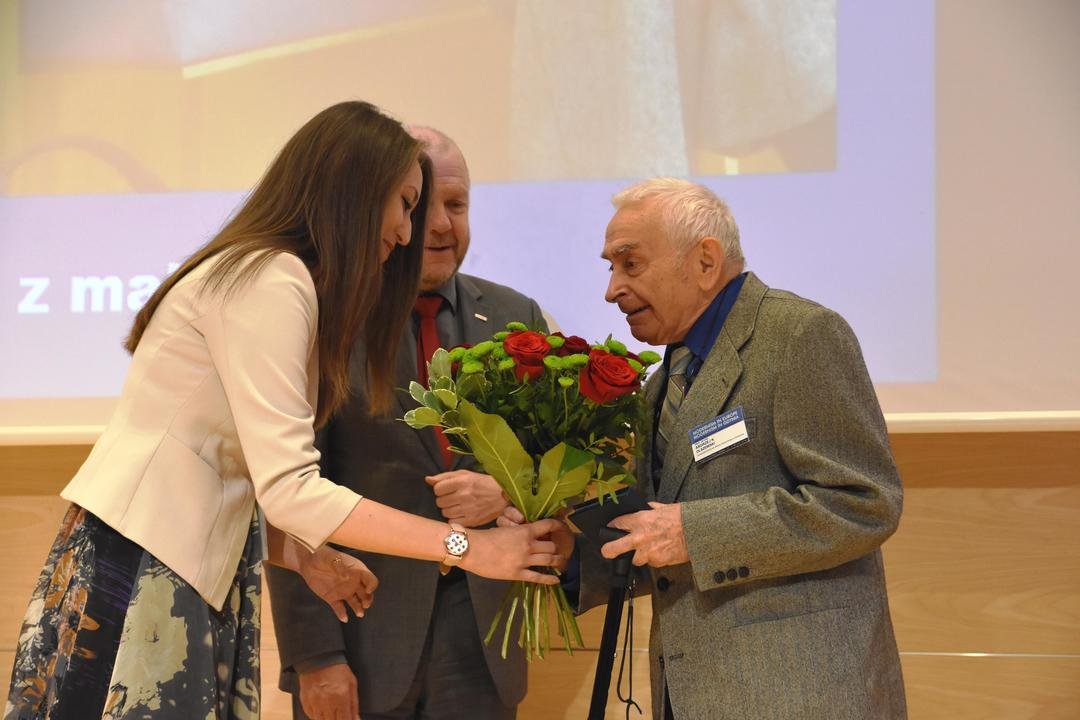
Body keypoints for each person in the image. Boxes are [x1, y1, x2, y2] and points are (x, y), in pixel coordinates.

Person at [4, 102, 563, 720]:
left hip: (166, 556)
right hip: (149, 567)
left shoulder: (265, 270)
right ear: (354, 192)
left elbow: (219, 473)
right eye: (404, 202)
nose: (407, 231)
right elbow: (293, 489)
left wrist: (299, 554)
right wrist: (466, 547)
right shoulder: (275, 279)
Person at [540, 177, 907, 719]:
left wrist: (696, 531)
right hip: (691, 692)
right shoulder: (666, 377)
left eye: (630, 264)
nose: (611, 289)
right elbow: (664, 534)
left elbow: (864, 503)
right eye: (610, 267)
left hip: (800, 696)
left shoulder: (800, 335)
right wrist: (578, 558)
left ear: (706, 261)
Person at [266, 127, 545, 720]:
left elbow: (555, 467)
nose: (442, 225)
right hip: (359, 644)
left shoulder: (517, 317)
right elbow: (286, 490)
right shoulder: (327, 315)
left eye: (458, 204)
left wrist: (507, 490)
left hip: (484, 649)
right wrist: (315, 656)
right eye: (423, 206)